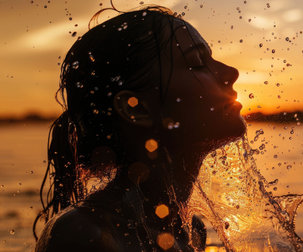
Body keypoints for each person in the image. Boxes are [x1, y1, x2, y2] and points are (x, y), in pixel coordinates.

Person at [34, 6, 245, 251]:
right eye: (197, 62)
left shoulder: (189, 229)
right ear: (136, 108)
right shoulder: (85, 235)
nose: (231, 72)